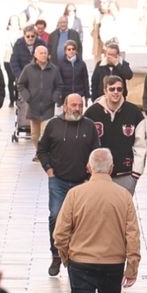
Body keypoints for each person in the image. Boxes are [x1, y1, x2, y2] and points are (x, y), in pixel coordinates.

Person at [54, 149, 141, 293]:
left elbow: (60, 233)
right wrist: (132, 265)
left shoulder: (75, 194)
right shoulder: (123, 196)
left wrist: (66, 256)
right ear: (111, 169)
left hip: (80, 262)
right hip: (113, 263)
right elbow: (132, 234)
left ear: (89, 167)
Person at [38, 94, 101, 277]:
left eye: (80, 105)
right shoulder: (53, 124)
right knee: (56, 216)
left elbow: (96, 151)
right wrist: (49, 169)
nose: (77, 108)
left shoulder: (89, 126)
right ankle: (56, 254)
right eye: (73, 105)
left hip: (82, 182)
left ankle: (79, 256)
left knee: (82, 220)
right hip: (58, 180)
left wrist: (91, 175)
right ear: (65, 107)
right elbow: (42, 149)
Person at [84, 75, 147, 194]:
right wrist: (87, 170)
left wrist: (136, 174)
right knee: (99, 206)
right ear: (105, 91)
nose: (116, 92)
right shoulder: (91, 113)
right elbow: (84, 144)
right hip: (98, 175)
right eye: (112, 89)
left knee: (122, 206)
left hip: (125, 174)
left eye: (119, 89)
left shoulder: (134, 113)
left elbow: (141, 145)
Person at [16, 44, 63, 146]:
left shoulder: (54, 69)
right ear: (35, 55)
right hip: (33, 107)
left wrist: (54, 98)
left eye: (45, 53)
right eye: (41, 53)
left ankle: (43, 152)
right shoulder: (28, 69)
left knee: (45, 133)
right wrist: (27, 97)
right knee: (34, 135)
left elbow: (59, 86)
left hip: (48, 107)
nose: (44, 55)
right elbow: (20, 84)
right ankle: (38, 151)